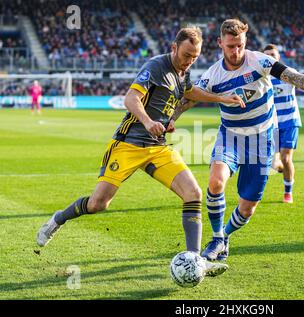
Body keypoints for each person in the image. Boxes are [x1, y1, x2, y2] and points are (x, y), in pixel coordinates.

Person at [36, 27, 246, 277]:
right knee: (98, 203)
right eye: (187, 55)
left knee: (193, 193)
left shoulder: (183, 73)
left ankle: (196, 259)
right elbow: (131, 99)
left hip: (157, 147)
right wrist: (147, 121)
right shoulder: (156, 66)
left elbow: (191, 92)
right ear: (174, 47)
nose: (190, 61)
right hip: (129, 145)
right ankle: (59, 218)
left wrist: (222, 98)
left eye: (195, 57)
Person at [171, 19, 304, 262]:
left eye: (239, 45)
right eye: (230, 46)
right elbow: (190, 99)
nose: (236, 51)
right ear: (220, 43)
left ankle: (226, 236)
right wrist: (172, 118)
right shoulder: (213, 74)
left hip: (261, 140)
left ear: (245, 41)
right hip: (230, 136)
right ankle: (217, 238)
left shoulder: (260, 61)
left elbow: (295, 77)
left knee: (247, 207)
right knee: (216, 182)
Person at [263, 44, 304, 204]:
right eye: (267, 55)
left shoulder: (288, 72)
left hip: (290, 120)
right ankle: (280, 168)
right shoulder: (262, 76)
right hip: (271, 124)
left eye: (273, 54)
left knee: (286, 158)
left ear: (278, 56)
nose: (270, 57)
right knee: (273, 163)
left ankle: (288, 192)